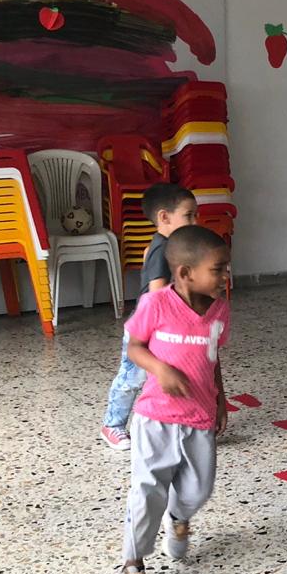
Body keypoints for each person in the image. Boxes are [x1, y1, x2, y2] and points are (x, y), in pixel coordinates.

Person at [115, 225, 232, 574]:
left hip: (199, 417)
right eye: (217, 269)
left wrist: (220, 399)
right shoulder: (157, 305)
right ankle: (133, 563)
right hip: (155, 417)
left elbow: (213, 357)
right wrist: (161, 369)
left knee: (198, 489)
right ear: (185, 273)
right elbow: (135, 347)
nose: (225, 276)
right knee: (147, 492)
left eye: (226, 268)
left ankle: (179, 517)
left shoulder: (219, 309)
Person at [100, 183, 197, 452]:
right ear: (164, 217)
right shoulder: (161, 249)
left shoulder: (171, 245)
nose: (194, 222)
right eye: (188, 215)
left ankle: (176, 423)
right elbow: (157, 294)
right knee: (132, 378)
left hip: (165, 326)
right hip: (147, 327)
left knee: (169, 375)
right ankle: (112, 424)